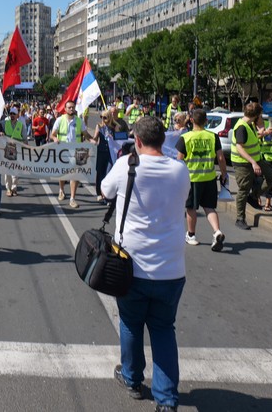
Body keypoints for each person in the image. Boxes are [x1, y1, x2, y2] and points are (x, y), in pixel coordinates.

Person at [101, 117, 190, 412]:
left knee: (130, 322)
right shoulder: (180, 170)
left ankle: (132, 379)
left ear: (137, 140)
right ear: (161, 140)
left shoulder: (127, 164)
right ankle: (166, 401)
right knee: (164, 329)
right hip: (171, 268)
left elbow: (105, 191)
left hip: (131, 266)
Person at [176, 109, 229, 251]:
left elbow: (179, 161)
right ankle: (217, 231)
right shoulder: (213, 137)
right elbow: (220, 158)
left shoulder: (185, 138)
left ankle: (191, 235)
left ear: (191, 120)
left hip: (192, 179)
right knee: (209, 207)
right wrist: (224, 174)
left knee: (191, 208)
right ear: (206, 121)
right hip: (209, 178)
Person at [231, 102, 272, 230]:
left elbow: (253, 137)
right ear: (257, 115)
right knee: (244, 189)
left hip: (256, 159)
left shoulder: (250, 124)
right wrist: (253, 163)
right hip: (242, 163)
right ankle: (240, 219)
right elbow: (239, 147)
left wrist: (262, 133)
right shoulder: (241, 127)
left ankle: (253, 197)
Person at [50, 100, 84, 208]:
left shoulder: (79, 121)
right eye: (69, 107)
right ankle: (61, 190)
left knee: (74, 174)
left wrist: (92, 140)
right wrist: (55, 138)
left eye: (73, 107)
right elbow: (53, 134)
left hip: (76, 151)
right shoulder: (60, 120)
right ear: (65, 109)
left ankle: (72, 198)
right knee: (63, 173)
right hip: (63, 151)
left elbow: (86, 134)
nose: (71, 109)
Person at [91, 111, 116, 204]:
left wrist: (113, 136)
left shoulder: (113, 127)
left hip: (110, 153)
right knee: (100, 173)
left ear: (109, 117)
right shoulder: (99, 126)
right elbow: (95, 138)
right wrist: (92, 140)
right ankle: (99, 194)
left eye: (105, 117)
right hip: (101, 152)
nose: (103, 119)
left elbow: (118, 139)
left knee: (108, 173)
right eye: (101, 117)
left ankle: (107, 196)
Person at [3, 106, 28, 197]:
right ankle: (8, 188)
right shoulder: (5, 123)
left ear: (17, 115)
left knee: (16, 171)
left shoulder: (21, 125)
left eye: (14, 114)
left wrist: (27, 149)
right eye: (11, 114)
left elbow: (25, 139)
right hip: (6, 150)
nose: (12, 115)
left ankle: (14, 188)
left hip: (17, 151)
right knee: (7, 170)